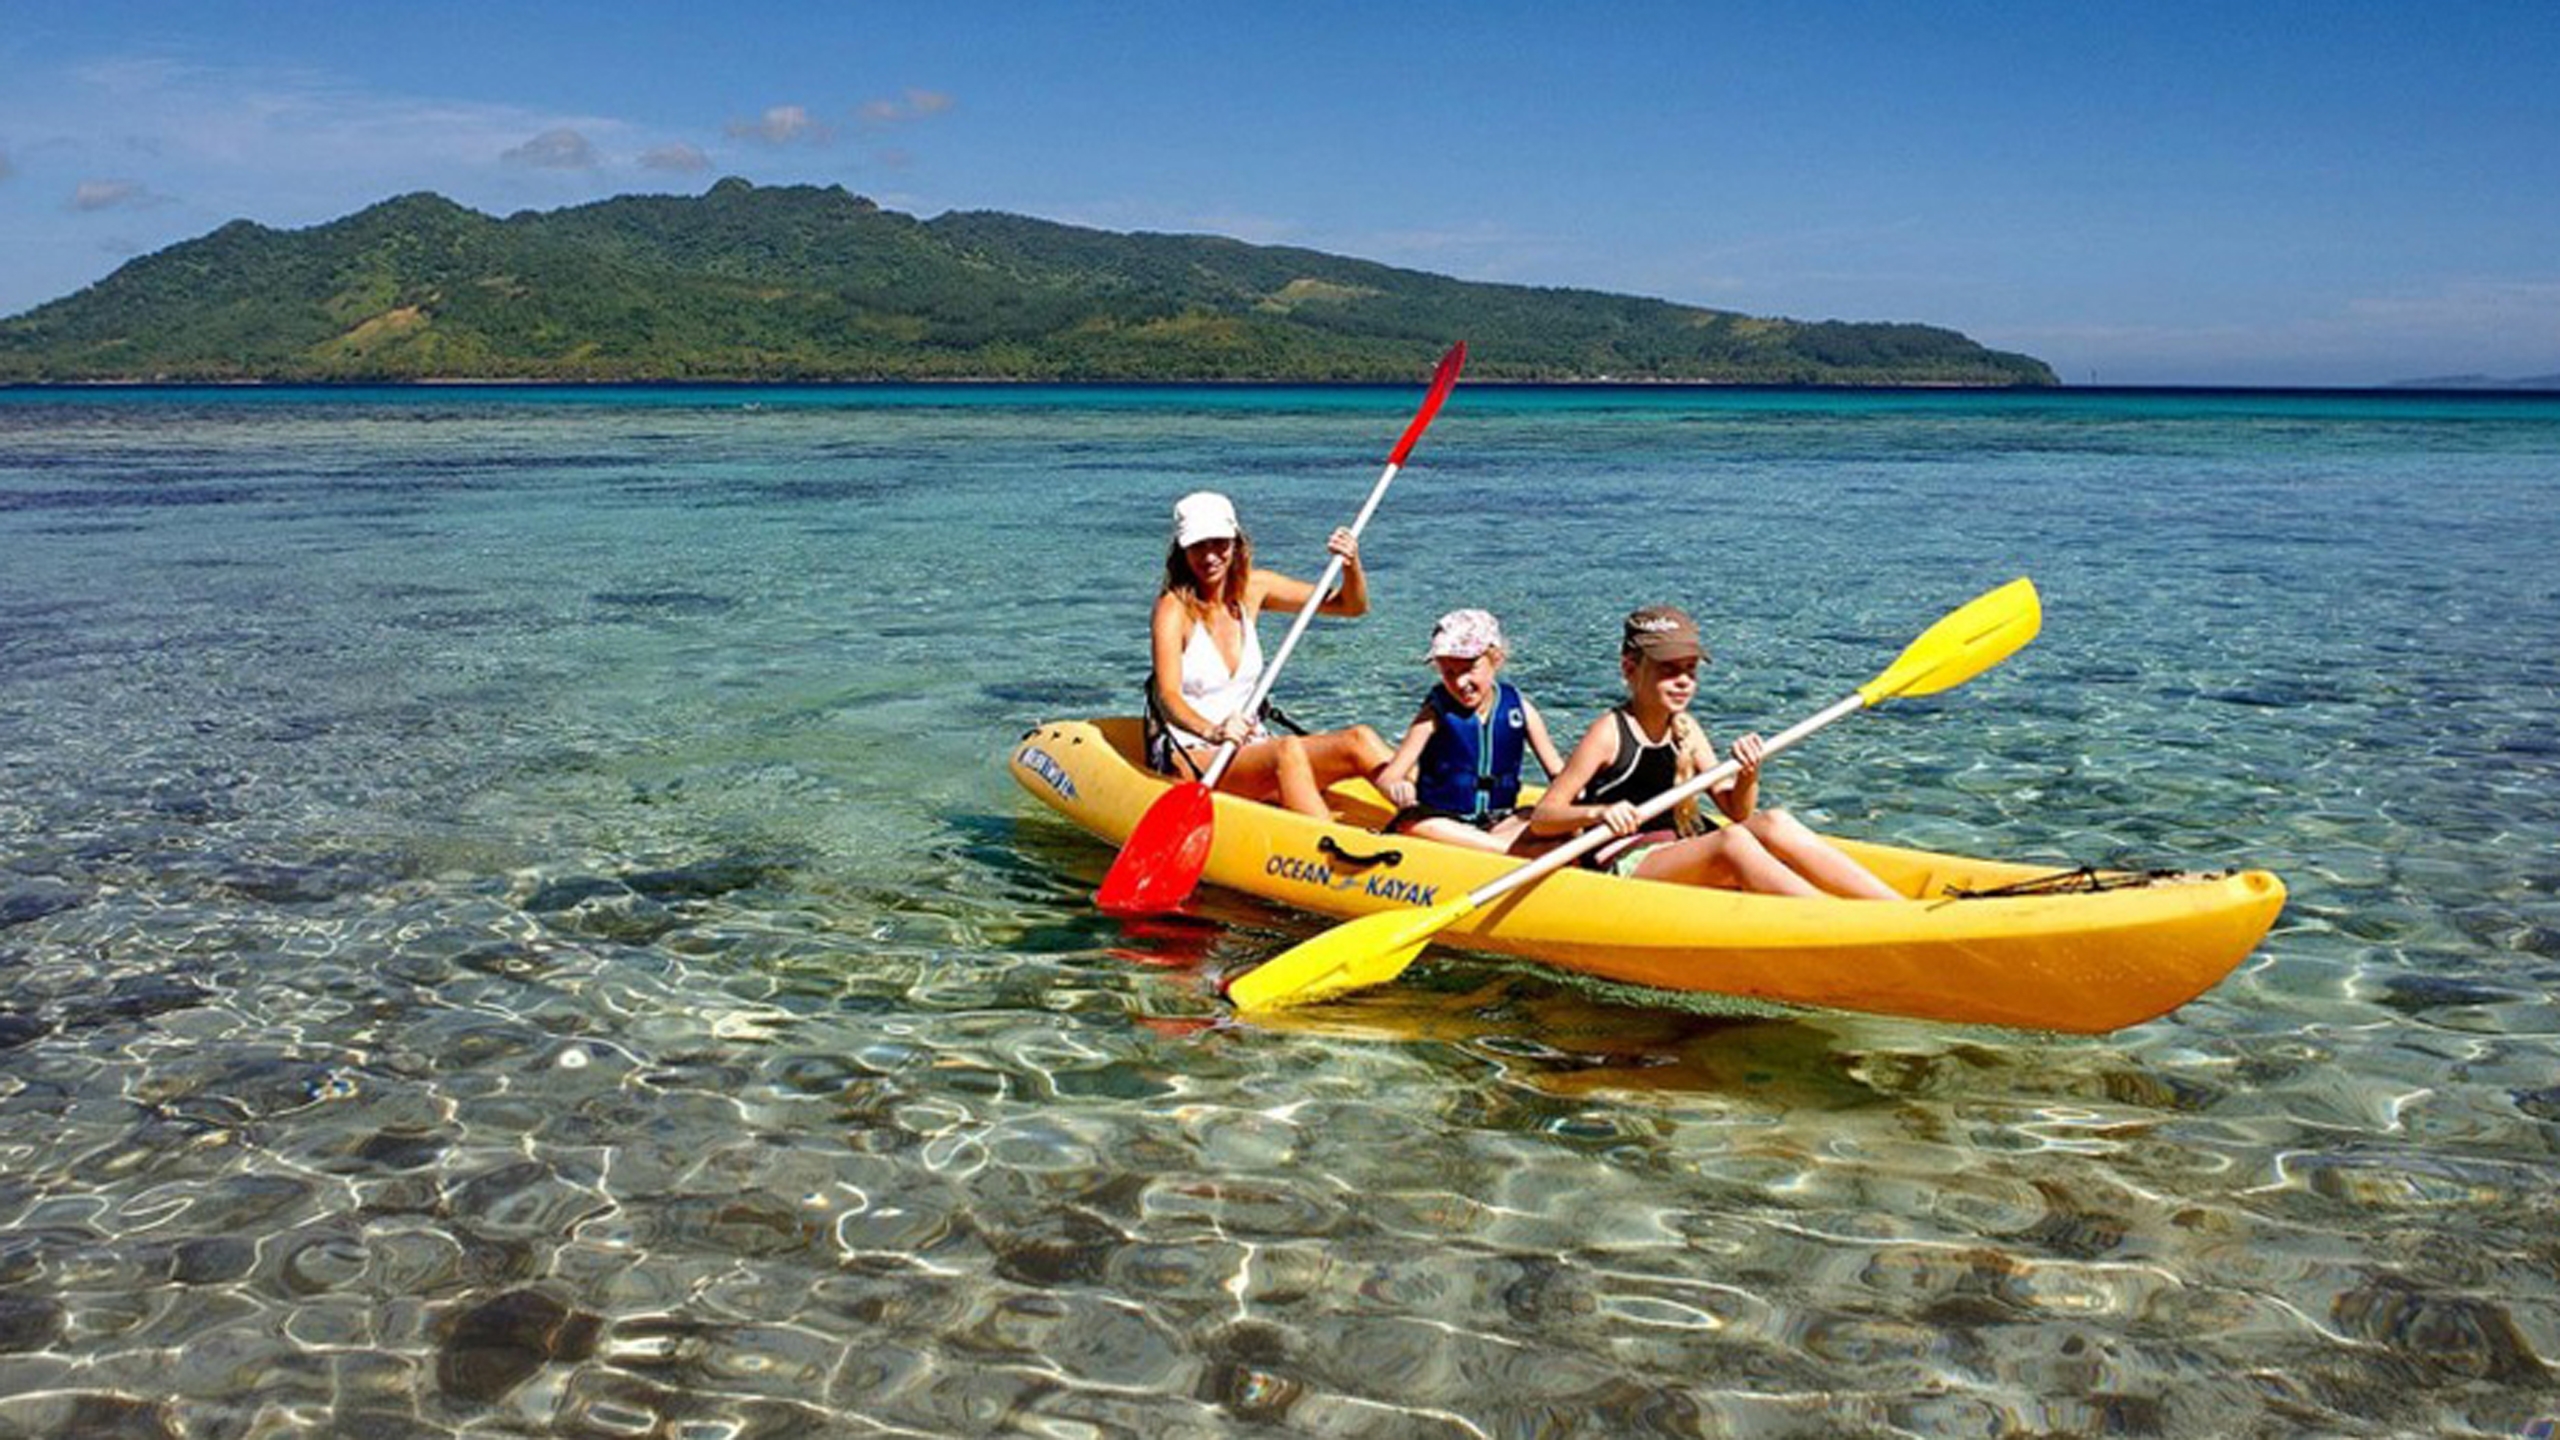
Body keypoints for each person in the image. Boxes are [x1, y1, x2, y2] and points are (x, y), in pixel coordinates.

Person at [1527, 605, 1901, 898]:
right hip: (1626, 859)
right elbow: (1544, 817)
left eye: (1690, 670)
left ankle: (1893, 909)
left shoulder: (1687, 729)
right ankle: (1834, 920)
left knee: (1775, 821)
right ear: (1630, 669)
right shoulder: (1609, 731)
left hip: (1679, 846)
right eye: (1668, 670)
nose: (1683, 682)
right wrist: (1601, 812)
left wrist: (1748, 772)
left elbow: (1738, 811)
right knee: (1732, 842)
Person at [1146, 490, 1392, 819]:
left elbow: (1351, 606)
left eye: (1219, 543)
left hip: (1251, 748)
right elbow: (1168, 696)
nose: (1210, 556)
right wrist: (1212, 731)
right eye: (1198, 546)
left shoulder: (1253, 588)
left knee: (1359, 740)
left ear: (1236, 542)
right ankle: (1328, 844)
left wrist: (1351, 564)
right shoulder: (1172, 609)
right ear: (1182, 550)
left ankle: (1442, 817)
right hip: (1194, 751)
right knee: (1284, 750)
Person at [1377, 609, 1568, 853]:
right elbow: (1388, 778)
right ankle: (1512, 851)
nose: (1459, 682)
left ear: (1496, 659)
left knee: (1540, 817)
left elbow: (1560, 775)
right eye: (1449, 672)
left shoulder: (1520, 709)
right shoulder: (1434, 714)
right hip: (1444, 821)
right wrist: (1396, 787)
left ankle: (1493, 845)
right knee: (1416, 825)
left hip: (1499, 821)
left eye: (1468, 669)